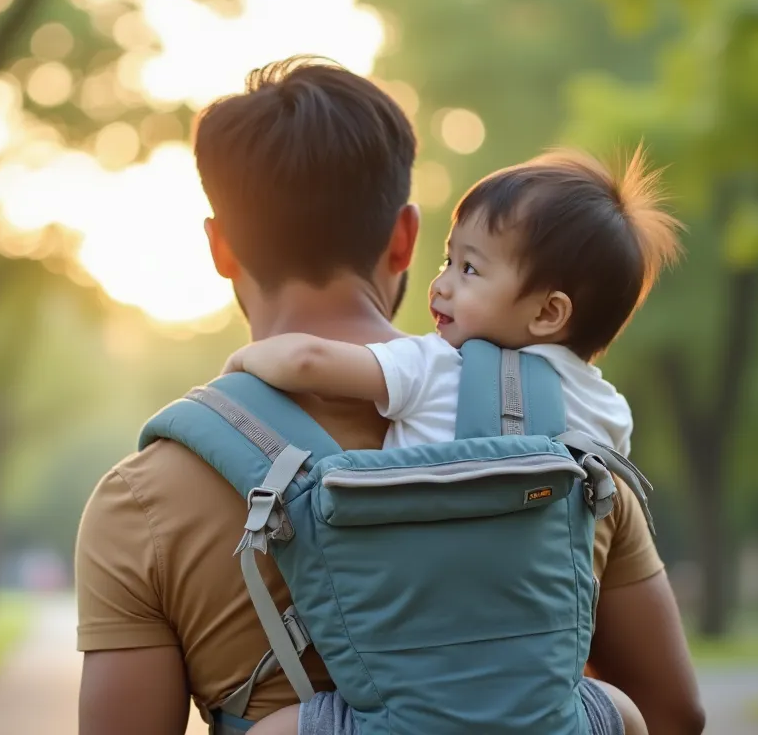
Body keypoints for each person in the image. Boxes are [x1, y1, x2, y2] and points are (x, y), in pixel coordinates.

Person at [75, 56, 706, 735]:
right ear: (406, 237)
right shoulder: (559, 438)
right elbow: (674, 714)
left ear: (220, 248)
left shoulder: (140, 498)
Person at [221, 145, 684, 735]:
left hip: (402, 687)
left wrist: (240, 362)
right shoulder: (607, 411)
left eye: (469, 269)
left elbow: (308, 360)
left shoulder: (438, 367)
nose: (439, 286)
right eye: (448, 260)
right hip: (538, 696)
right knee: (624, 715)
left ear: (547, 312)